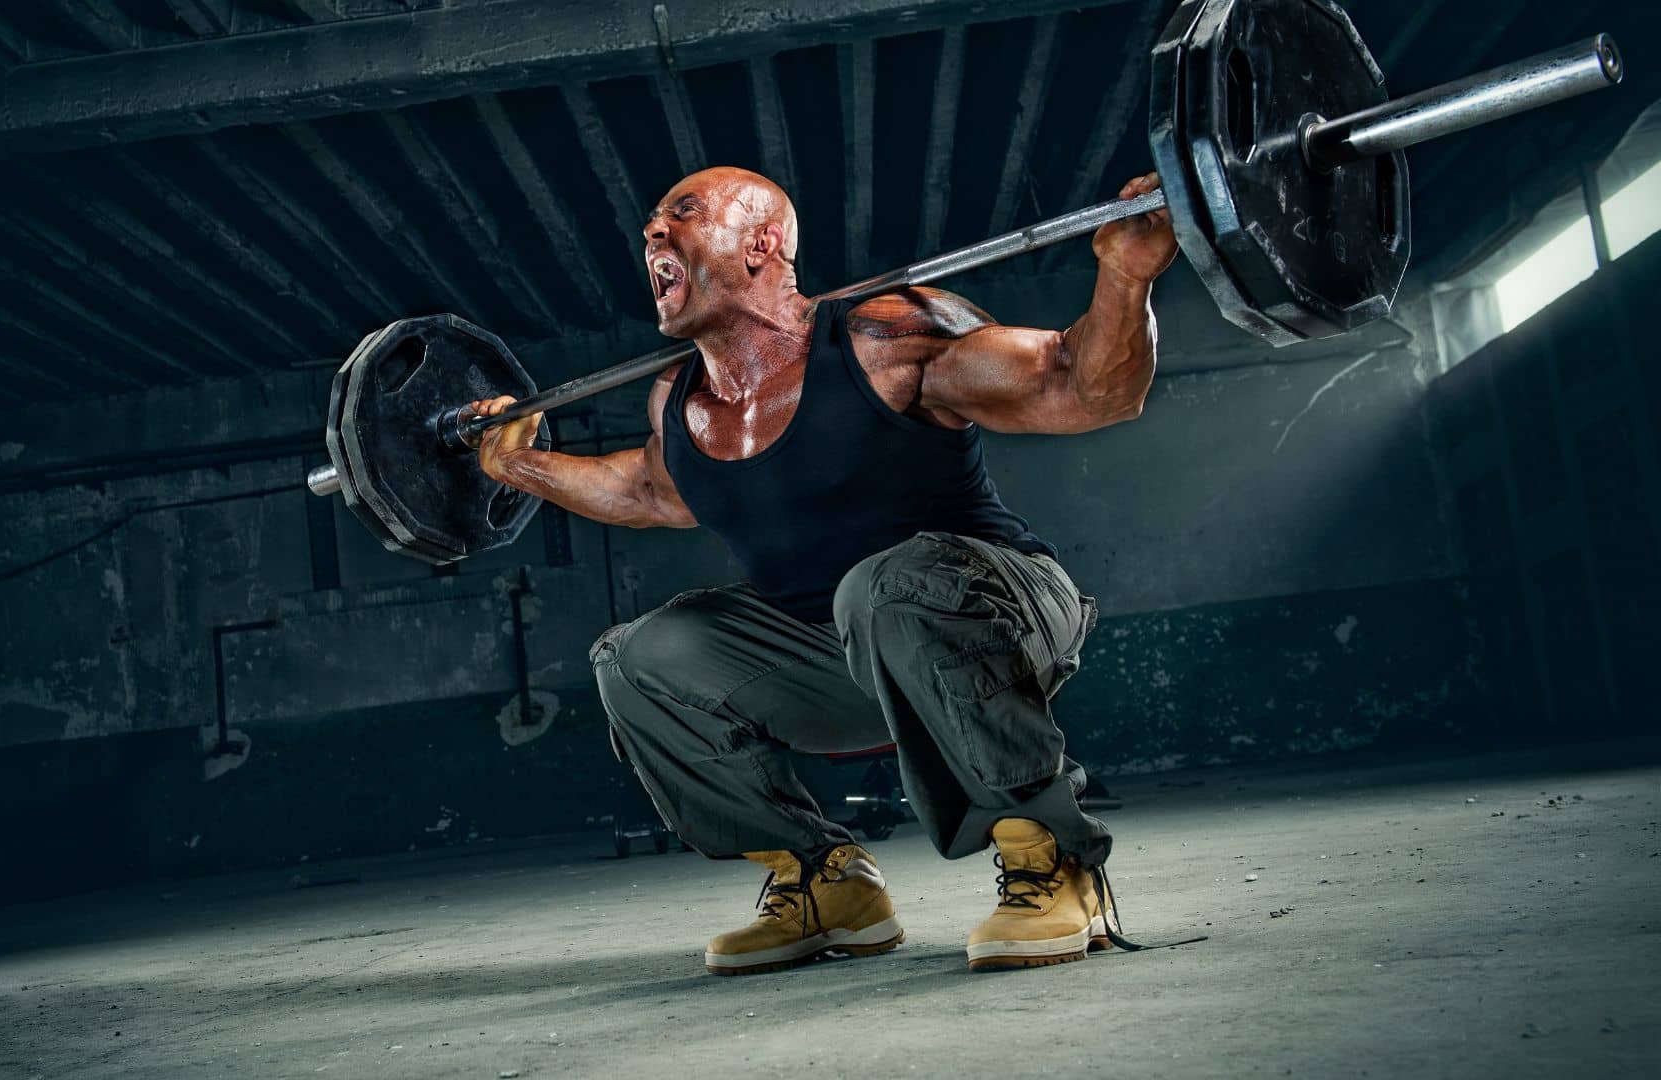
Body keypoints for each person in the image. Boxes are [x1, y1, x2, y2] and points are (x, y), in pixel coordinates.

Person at [466, 165, 1177, 974]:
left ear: (763, 243)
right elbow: (646, 489)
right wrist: (519, 467)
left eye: (683, 214)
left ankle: (1054, 856)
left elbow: (1083, 388)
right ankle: (823, 882)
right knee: (636, 660)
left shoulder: (884, 337)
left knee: (883, 585)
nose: (653, 233)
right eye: (652, 224)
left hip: (1001, 611)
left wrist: (1124, 275)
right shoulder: (681, 400)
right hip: (844, 655)